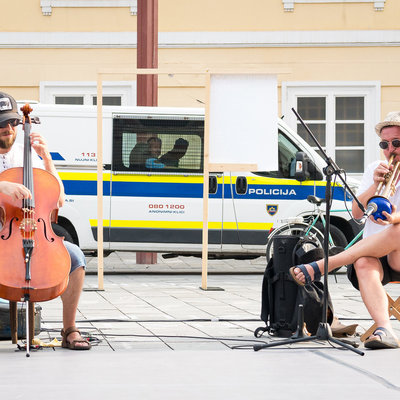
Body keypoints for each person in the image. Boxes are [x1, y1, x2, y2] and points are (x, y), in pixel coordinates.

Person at [290, 111, 400, 350]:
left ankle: (323, 265)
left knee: (397, 230)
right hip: (374, 253)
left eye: (396, 143)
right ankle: (385, 328)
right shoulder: (375, 168)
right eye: (385, 144)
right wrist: (374, 185)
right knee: (362, 263)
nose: (390, 149)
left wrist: (394, 218)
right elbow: (358, 213)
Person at [0, 91, 90, 350]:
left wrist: (47, 158)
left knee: (74, 257)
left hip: (32, 229)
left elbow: (58, 199)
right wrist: (2, 187)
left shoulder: (26, 154)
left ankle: (69, 329)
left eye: (12, 123)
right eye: (1, 124)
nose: (7, 129)